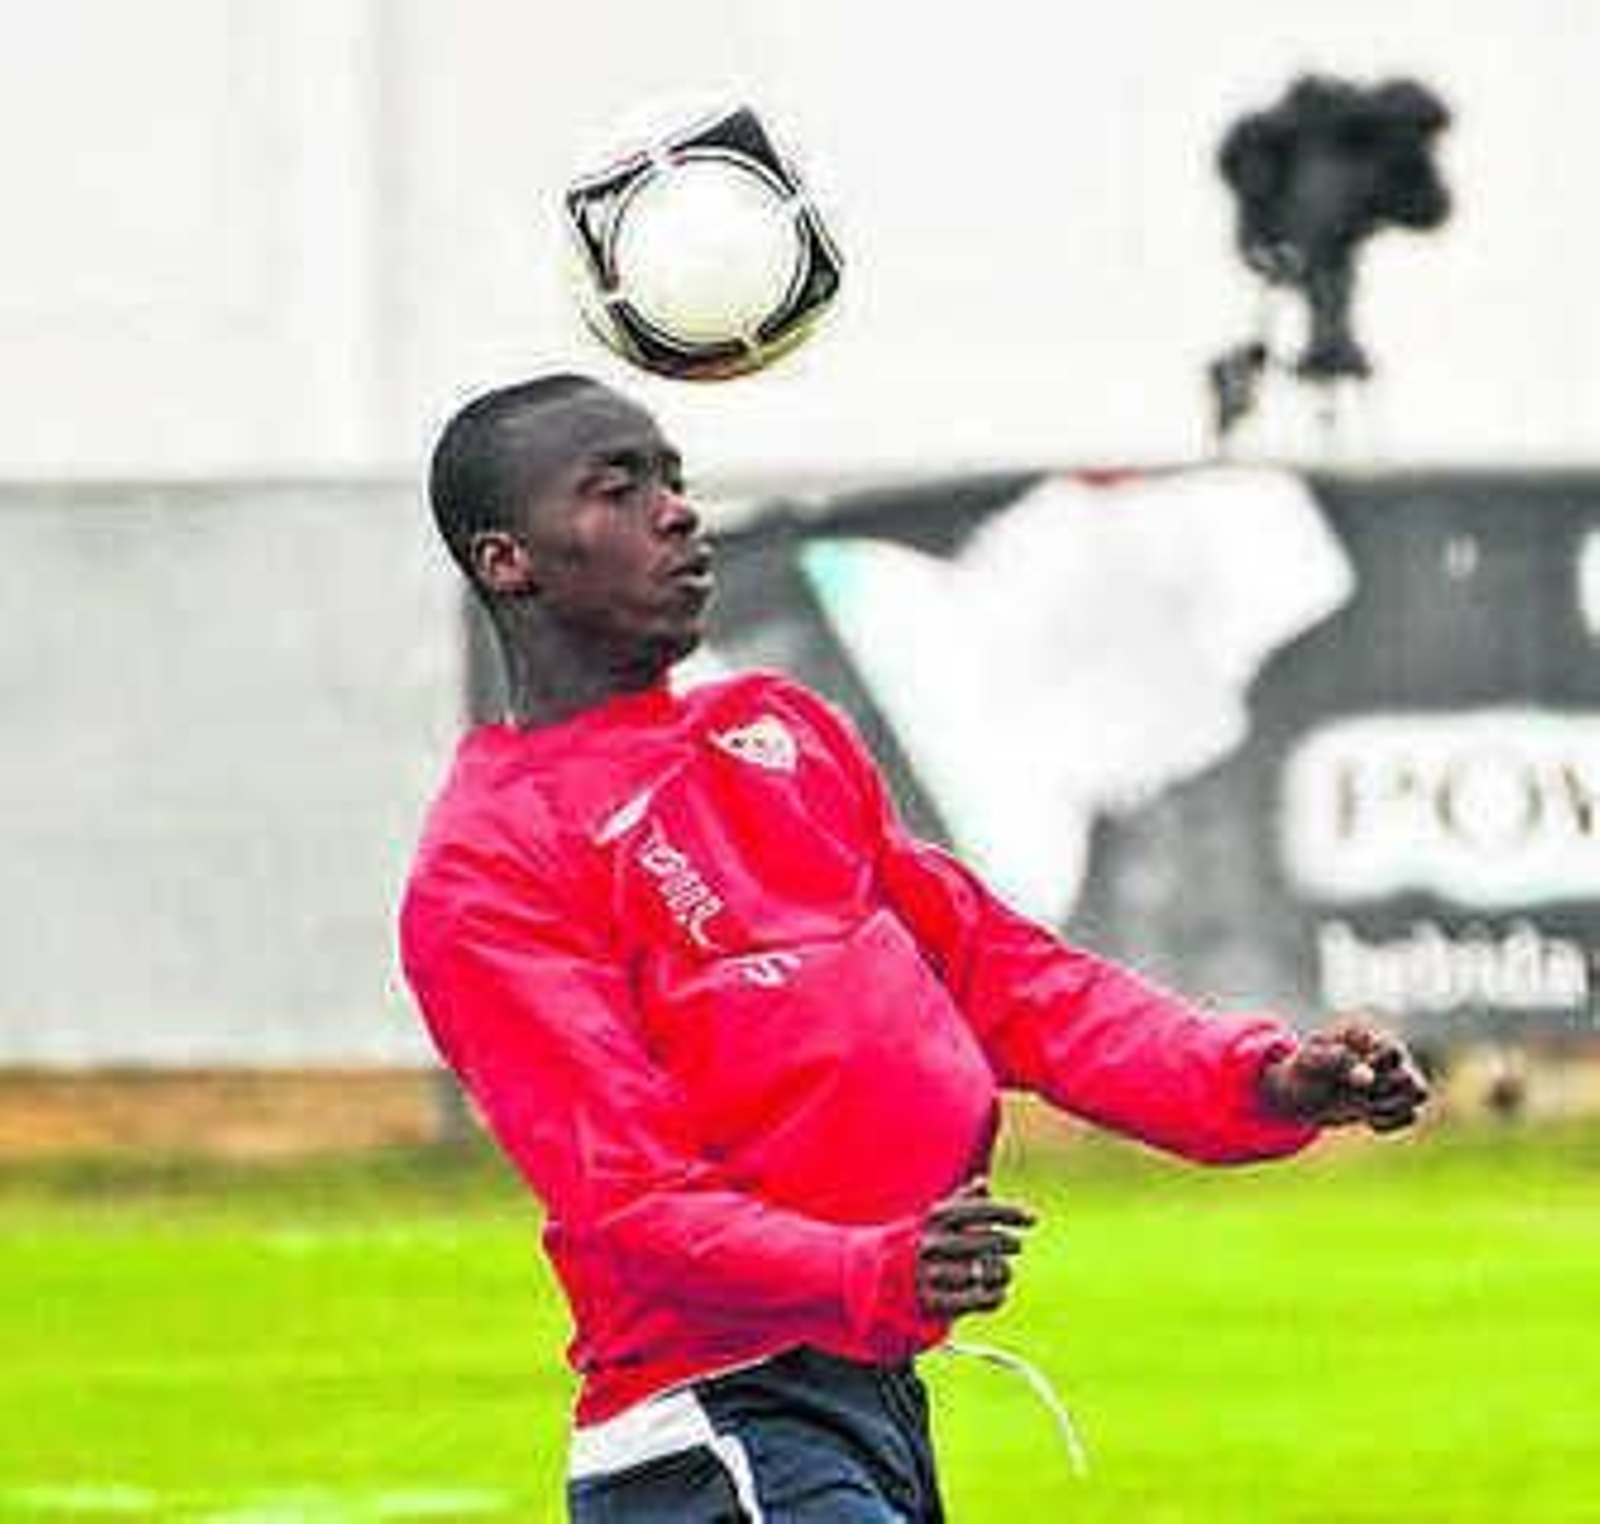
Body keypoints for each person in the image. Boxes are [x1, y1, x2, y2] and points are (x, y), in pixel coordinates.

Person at [398, 374, 1429, 1523]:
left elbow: (1003, 979)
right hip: (712, 1434)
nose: (677, 511)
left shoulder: (773, 731)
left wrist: (1256, 1078)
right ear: (507, 562)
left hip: (868, 1403)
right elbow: (629, 1205)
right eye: (619, 488)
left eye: (674, 479)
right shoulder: (488, 865)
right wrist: (869, 1269)